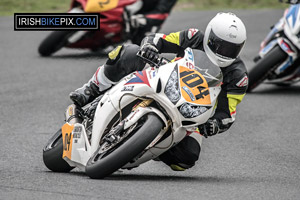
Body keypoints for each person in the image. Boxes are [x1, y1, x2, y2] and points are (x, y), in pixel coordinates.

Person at [68, 12, 248, 171]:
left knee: (186, 159)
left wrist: (215, 124)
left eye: (232, 48)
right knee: (129, 52)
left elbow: (227, 113)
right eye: (221, 46)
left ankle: (143, 143)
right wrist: (150, 47)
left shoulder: (238, 76)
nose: (225, 52)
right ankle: (91, 89)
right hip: (164, 79)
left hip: (192, 111)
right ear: (210, 37)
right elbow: (158, 39)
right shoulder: (193, 37)